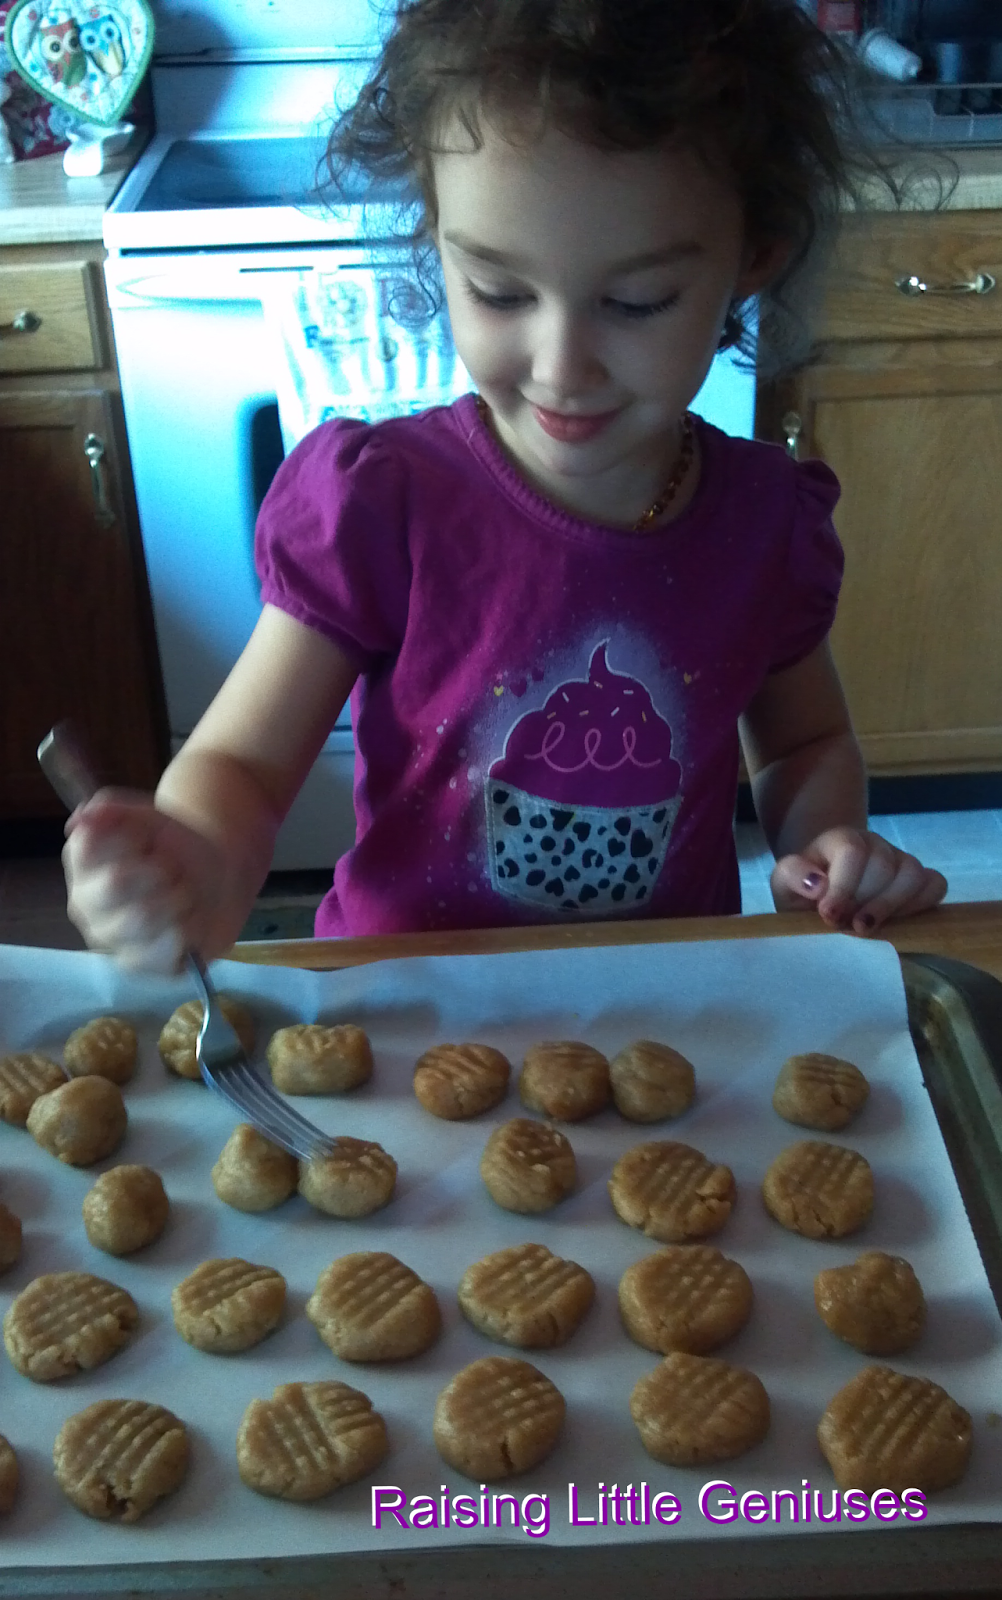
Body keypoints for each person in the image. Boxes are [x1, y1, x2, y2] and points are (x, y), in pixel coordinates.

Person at [63, 0, 947, 972]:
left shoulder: (763, 526)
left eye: (636, 301)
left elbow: (804, 746)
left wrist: (822, 844)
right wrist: (196, 860)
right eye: (499, 292)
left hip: (667, 1010)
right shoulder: (382, 506)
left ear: (753, 257)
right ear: (437, 237)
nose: (563, 366)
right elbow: (242, 766)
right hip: (403, 1014)